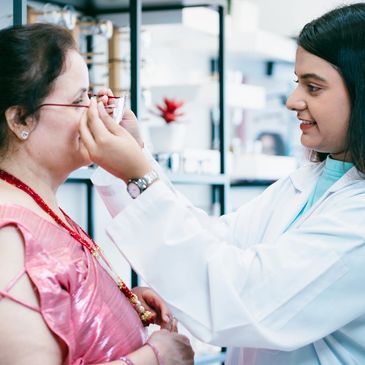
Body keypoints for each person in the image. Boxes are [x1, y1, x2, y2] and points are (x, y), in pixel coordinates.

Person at [81, 3, 365, 364]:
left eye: (314, 87)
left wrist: (139, 174)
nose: (294, 101)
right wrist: (134, 159)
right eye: (298, 83)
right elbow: (214, 242)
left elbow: (245, 301)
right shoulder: (308, 183)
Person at [0, 23, 195, 365]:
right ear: (21, 120)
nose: (97, 112)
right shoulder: (8, 235)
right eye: (80, 101)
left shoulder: (39, 204)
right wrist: (156, 357)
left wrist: (117, 307)